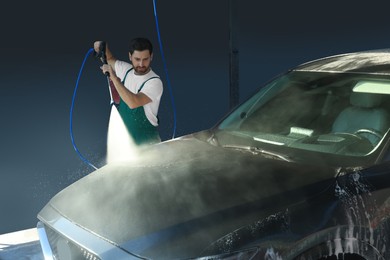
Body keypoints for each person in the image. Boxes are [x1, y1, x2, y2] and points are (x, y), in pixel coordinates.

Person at [94, 38, 163, 146]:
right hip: (127, 147)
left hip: (150, 146)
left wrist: (114, 77)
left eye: (145, 59)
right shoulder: (126, 70)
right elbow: (110, 58)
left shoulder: (154, 82)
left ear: (151, 57)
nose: (141, 64)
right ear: (130, 56)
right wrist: (103, 47)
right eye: (137, 59)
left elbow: (133, 103)